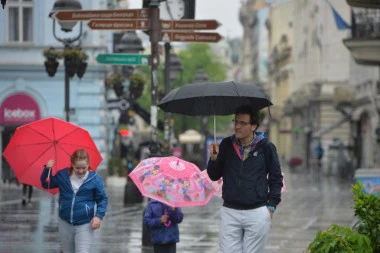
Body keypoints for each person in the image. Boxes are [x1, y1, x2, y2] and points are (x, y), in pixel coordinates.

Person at [207, 105, 283, 253]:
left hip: (257, 212)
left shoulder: (266, 147)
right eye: (236, 122)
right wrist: (213, 158)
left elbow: (276, 178)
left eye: (242, 123)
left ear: (253, 126)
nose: (237, 126)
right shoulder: (227, 144)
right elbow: (214, 175)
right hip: (230, 211)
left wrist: (271, 207)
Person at [40, 149, 108, 253]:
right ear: (72, 164)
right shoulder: (62, 175)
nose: (80, 171)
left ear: (88, 164)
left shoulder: (95, 179)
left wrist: (98, 216)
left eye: (84, 168)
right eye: (77, 168)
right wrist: (47, 169)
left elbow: (102, 199)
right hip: (65, 223)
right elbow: (46, 184)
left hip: (85, 224)